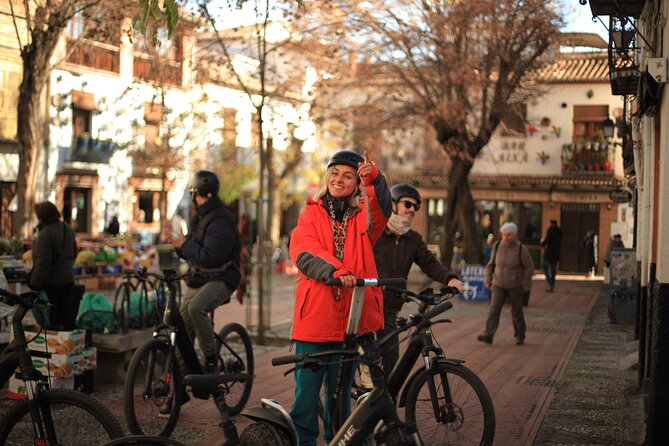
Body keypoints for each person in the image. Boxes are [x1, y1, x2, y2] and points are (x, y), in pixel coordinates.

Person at [288, 149, 391, 446]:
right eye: (335, 173)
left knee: (340, 400)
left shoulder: (364, 218)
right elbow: (304, 250)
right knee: (305, 399)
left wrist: (373, 178)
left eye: (348, 176)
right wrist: (337, 271)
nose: (339, 179)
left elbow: (382, 206)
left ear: (355, 184)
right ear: (326, 176)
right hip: (314, 321)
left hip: (350, 323)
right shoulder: (310, 212)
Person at [373, 183, 464, 375]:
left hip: (389, 309)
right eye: (408, 204)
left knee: (391, 362)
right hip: (367, 305)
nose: (412, 210)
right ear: (393, 204)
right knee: (366, 359)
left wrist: (450, 279)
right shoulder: (376, 232)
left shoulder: (412, 239)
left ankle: (386, 402)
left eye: (416, 207)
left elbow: (430, 263)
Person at [165, 170, 241, 376]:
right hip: (201, 277)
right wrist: (179, 245)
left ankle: (210, 360)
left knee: (197, 308)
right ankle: (183, 375)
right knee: (181, 319)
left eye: (192, 194)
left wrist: (185, 244)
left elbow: (211, 257)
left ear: (197, 194)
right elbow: (194, 250)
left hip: (222, 277)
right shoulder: (201, 216)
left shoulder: (220, 220)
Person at [477, 222, 534, 346]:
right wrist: (488, 279)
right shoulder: (497, 246)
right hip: (498, 284)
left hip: (515, 285)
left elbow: (529, 268)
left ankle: (520, 334)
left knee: (516, 311)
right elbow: (490, 265)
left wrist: (524, 283)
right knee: (494, 309)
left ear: (514, 235)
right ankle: (488, 334)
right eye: (503, 235)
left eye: (508, 235)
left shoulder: (520, 248)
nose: (506, 238)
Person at [28, 201, 78, 330]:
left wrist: (34, 284)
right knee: (66, 312)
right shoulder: (68, 228)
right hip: (68, 279)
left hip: (52, 282)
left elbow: (43, 263)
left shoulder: (45, 234)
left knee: (53, 317)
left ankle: (56, 346)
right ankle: (71, 341)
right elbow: (74, 253)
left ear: (42, 216)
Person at [540, 219, 562, 292]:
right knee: (553, 270)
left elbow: (547, 240)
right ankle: (552, 284)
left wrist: (542, 243)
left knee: (544, 267)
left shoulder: (551, 230)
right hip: (556, 253)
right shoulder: (559, 231)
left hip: (549, 253)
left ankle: (550, 283)